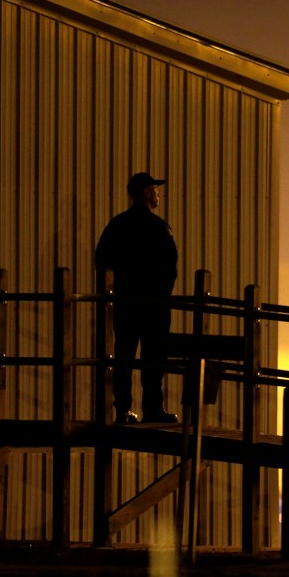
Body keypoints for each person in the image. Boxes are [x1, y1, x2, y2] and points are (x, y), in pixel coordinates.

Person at [95, 172, 179, 424]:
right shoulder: (159, 227)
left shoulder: (117, 225)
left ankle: (123, 410)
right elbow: (170, 267)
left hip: (126, 302)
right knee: (154, 359)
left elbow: (101, 260)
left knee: (124, 357)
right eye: (155, 190)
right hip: (154, 304)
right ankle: (153, 409)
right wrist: (161, 295)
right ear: (145, 192)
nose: (158, 194)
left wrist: (120, 285)